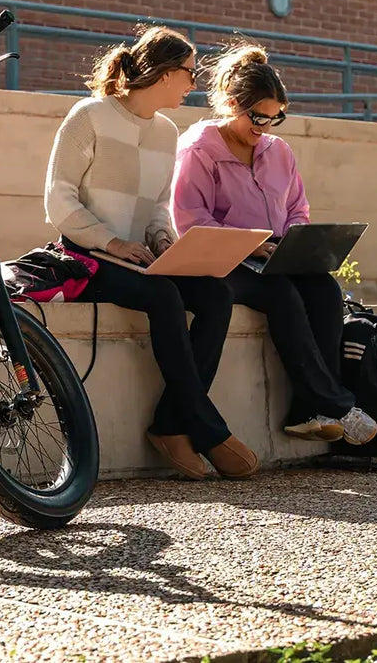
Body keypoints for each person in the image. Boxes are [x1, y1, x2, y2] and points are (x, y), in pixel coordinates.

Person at [45, 26, 258, 480]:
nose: (193, 83)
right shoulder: (89, 116)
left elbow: (157, 209)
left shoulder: (166, 132)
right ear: (163, 75)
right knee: (163, 297)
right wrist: (112, 241)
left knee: (217, 294)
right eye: (188, 72)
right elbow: (58, 198)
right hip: (89, 254)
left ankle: (169, 424)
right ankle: (207, 428)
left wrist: (162, 238)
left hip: (143, 257)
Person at [172, 42, 377, 446]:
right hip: (221, 264)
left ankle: (309, 411)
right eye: (257, 116)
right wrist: (250, 246)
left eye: (274, 118)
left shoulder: (279, 152)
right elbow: (190, 220)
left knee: (325, 290)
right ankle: (336, 404)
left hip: (272, 259)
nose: (264, 127)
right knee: (282, 294)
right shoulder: (199, 150)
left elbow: (297, 208)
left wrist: (296, 241)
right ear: (232, 103)